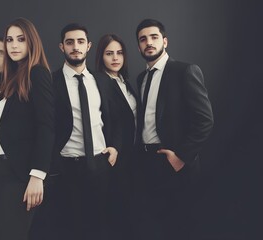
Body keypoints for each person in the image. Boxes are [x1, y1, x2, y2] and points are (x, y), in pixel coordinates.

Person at [132, 18, 214, 240]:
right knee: (151, 225)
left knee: (179, 227)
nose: (149, 42)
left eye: (154, 37)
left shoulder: (185, 71)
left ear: (165, 41)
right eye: (143, 39)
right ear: (138, 46)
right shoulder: (141, 78)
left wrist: (182, 157)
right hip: (146, 162)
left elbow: (205, 120)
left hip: (175, 164)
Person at [0, 17, 54, 240]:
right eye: (9, 40)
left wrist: (37, 175)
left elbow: (47, 126)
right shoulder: (9, 80)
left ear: (31, 42)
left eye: (20, 40)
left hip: (20, 174)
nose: (13, 45)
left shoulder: (37, 73)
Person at [51, 23, 122, 240]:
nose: (75, 46)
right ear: (61, 47)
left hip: (100, 164)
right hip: (66, 166)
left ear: (88, 46)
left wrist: (115, 147)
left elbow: (116, 117)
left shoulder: (102, 80)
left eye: (80, 41)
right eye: (70, 42)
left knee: (99, 227)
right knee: (68, 228)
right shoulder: (50, 81)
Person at [95, 33, 137, 239]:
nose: (115, 58)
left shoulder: (125, 81)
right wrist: (114, 146)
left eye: (119, 53)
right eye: (109, 53)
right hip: (113, 155)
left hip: (133, 156)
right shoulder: (99, 82)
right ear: (100, 56)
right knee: (115, 213)